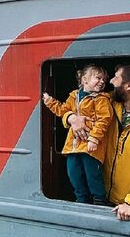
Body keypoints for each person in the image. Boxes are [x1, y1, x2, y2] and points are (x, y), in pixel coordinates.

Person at [66, 63, 130, 221]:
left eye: (116, 77)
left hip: (126, 207)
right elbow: (75, 107)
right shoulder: (107, 104)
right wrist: (71, 118)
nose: (110, 81)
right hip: (99, 199)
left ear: (128, 86)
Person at [42, 64, 113, 205]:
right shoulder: (74, 96)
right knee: (74, 174)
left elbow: (104, 119)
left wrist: (94, 138)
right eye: (98, 78)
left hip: (90, 146)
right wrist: (50, 102)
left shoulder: (101, 99)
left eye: (104, 80)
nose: (102, 82)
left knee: (93, 175)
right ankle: (81, 200)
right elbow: (63, 110)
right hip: (73, 146)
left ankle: (99, 200)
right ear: (85, 79)